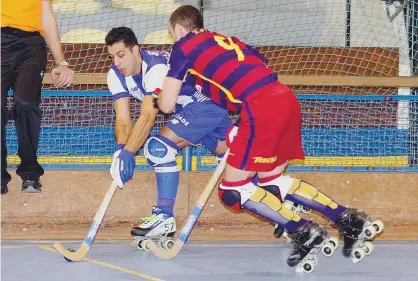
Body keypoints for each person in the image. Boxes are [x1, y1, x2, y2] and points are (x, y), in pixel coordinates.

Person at [156, 5, 384, 267]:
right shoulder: (228, 42)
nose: (174, 40)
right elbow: (250, 72)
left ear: (181, 29)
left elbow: (166, 105)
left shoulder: (184, 46)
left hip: (260, 107)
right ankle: (347, 218)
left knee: (233, 191)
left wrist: (158, 94)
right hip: (284, 98)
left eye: (172, 34)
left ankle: (303, 231)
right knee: (270, 181)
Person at [105, 27, 231, 246]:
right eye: (113, 56)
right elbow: (123, 118)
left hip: (205, 104)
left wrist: (129, 152)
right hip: (192, 112)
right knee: (234, 164)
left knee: (158, 148)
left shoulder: (156, 68)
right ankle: (285, 203)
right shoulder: (115, 74)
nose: (117, 62)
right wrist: (120, 149)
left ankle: (164, 217)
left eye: (121, 55)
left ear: (135, 50)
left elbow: (148, 115)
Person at [1, 0, 74, 194]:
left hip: (31, 46)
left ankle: (30, 171)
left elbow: (47, 18)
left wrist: (61, 60)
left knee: (26, 103)